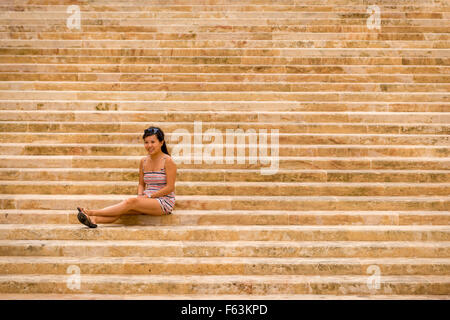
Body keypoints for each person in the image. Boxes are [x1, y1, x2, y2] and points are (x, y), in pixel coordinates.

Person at [77, 126, 177, 228]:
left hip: (163, 201)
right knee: (123, 209)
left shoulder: (168, 161)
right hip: (147, 198)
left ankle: (91, 212)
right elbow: (141, 184)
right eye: (146, 142)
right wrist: (140, 195)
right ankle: (93, 220)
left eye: (152, 142)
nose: (149, 145)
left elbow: (170, 187)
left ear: (161, 142)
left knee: (130, 202)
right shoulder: (144, 161)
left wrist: (148, 197)